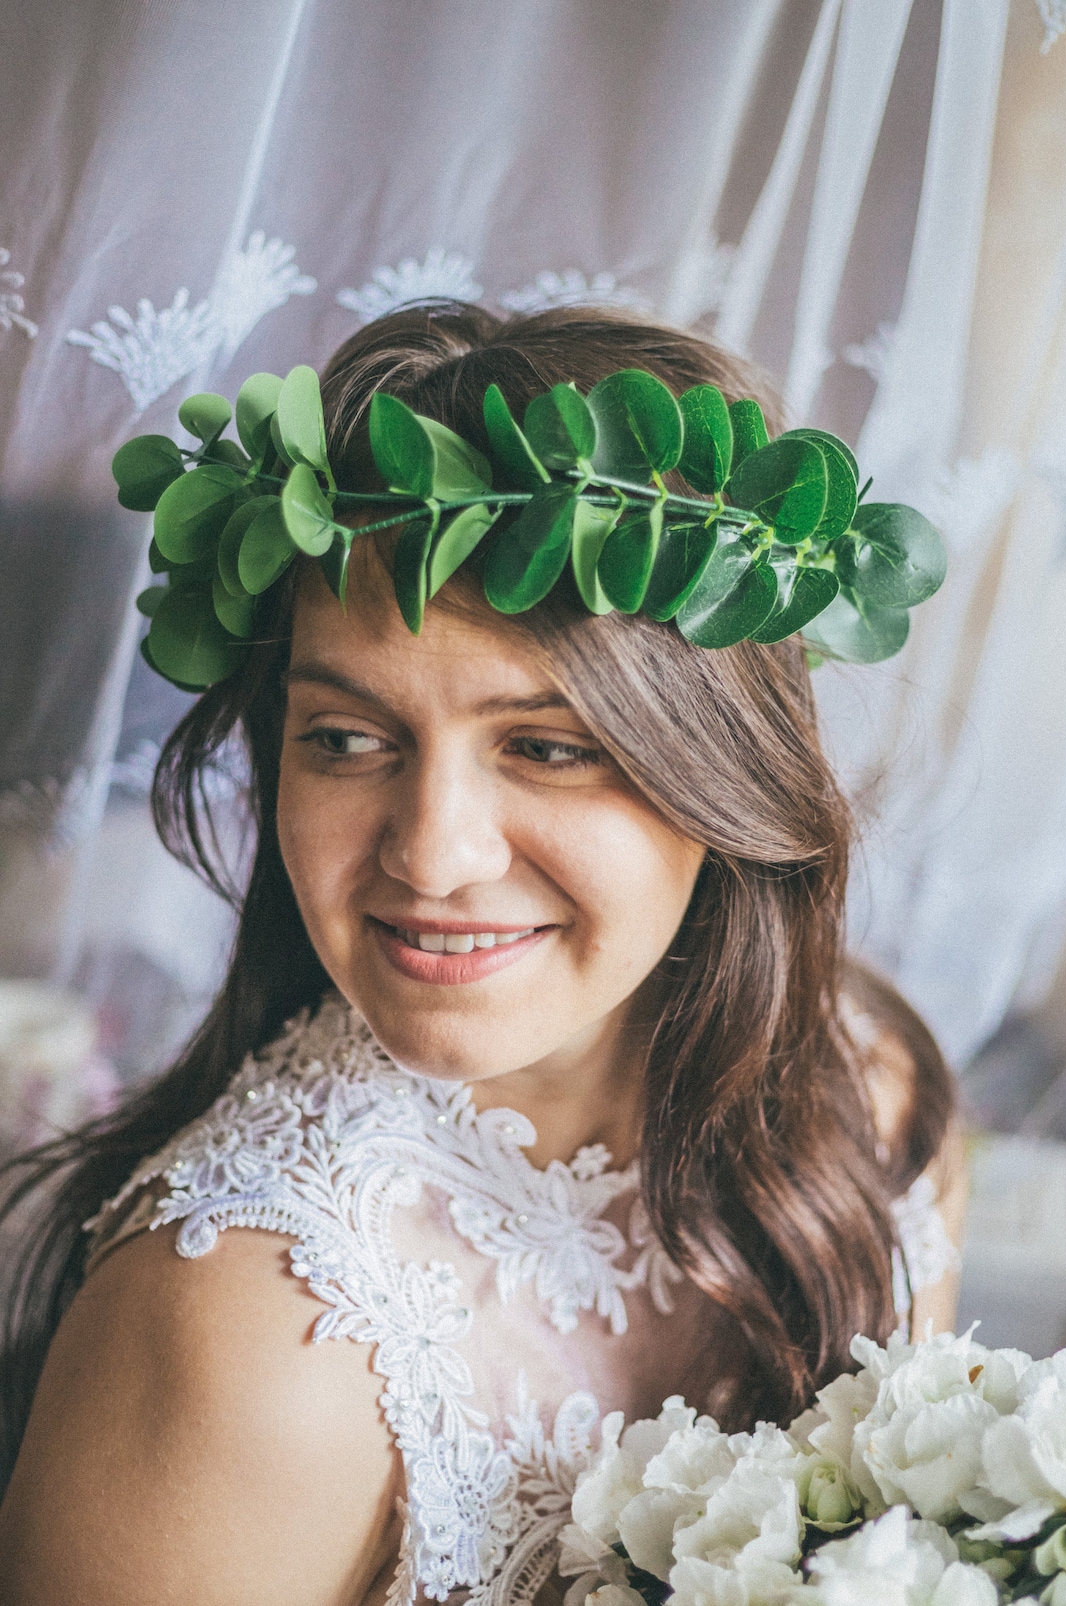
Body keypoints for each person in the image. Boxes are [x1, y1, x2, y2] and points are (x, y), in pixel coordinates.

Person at [0, 304, 965, 1606]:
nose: (432, 854)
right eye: (344, 737)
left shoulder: (875, 1103)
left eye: (545, 744)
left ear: (721, 769)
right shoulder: (247, 1339)